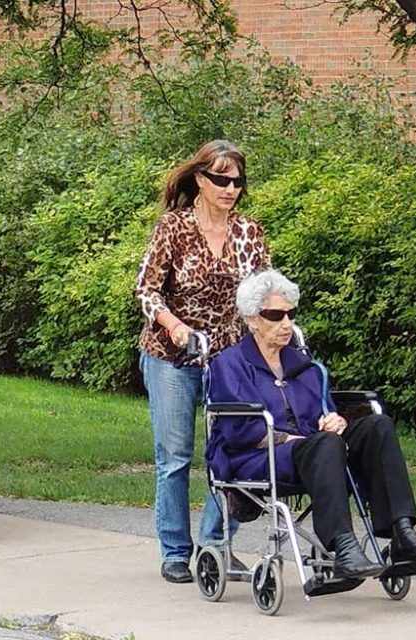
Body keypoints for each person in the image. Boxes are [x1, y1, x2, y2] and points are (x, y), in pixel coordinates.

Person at [207, 270, 416, 578]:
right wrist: (292, 439)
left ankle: (402, 533)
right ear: (252, 319)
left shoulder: (303, 364)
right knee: (325, 444)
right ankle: (344, 547)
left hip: (317, 450)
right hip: (257, 457)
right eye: (275, 315)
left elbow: (323, 410)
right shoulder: (229, 364)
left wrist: (334, 420)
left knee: (378, 426)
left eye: (290, 314)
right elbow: (239, 431)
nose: (286, 323)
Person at [134, 140, 270, 584]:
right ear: (200, 180)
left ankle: (217, 546)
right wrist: (174, 326)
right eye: (221, 180)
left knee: (229, 452)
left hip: (227, 357)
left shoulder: (250, 232)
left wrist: (271, 333)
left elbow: (260, 293)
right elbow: (146, 290)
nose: (231, 189)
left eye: (237, 181)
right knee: (174, 455)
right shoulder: (173, 227)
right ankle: (175, 550)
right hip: (172, 354)